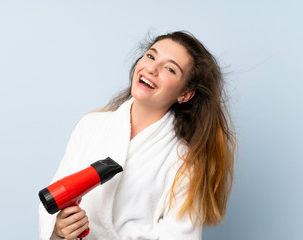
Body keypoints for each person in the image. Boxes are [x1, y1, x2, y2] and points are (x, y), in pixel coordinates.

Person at [38, 31, 236, 240]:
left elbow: (178, 236)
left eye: (170, 69)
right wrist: (60, 229)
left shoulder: (186, 162)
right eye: (150, 56)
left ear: (184, 94)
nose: (151, 68)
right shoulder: (90, 126)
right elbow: (53, 202)